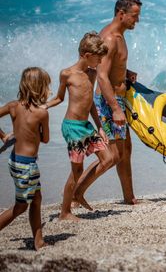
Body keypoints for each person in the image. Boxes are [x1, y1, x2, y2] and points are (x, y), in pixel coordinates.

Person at [46, 32, 115, 220]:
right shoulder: (67, 74)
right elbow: (59, 98)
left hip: (86, 125)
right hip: (72, 126)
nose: (100, 61)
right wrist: (43, 106)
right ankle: (65, 211)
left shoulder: (91, 74)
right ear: (86, 55)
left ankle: (78, 193)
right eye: (98, 57)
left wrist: (100, 126)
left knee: (108, 158)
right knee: (76, 170)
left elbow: (90, 102)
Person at [93, 0, 141, 204]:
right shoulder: (110, 38)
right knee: (112, 156)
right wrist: (115, 108)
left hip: (115, 99)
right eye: (134, 15)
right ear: (121, 14)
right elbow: (101, 76)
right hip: (108, 101)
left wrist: (125, 72)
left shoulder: (119, 35)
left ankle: (128, 197)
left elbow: (109, 67)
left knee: (125, 150)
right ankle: (75, 194)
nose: (137, 20)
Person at [0, 67, 51, 250]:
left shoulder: (13, 106)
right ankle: (38, 242)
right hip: (28, 166)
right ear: (40, 88)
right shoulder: (41, 113)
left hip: (14, 161)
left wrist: (4, 135)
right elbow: (45, 139)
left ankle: (39, 242)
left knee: (36, 198)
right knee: (20, 207)